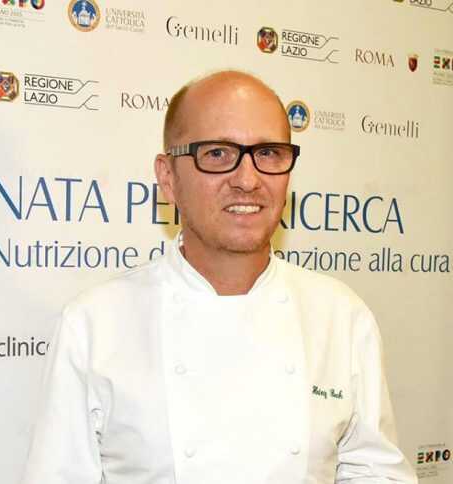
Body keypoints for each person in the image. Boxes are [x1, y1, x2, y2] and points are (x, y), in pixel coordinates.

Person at [21, 71, 417, 484]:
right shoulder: (94, 324)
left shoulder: (341, 316)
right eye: (216, 154)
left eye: (269, 153)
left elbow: (376, 473)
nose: (247, 180)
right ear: (168, 178)